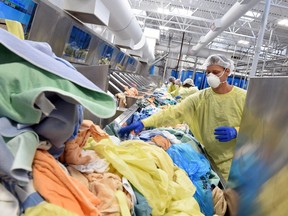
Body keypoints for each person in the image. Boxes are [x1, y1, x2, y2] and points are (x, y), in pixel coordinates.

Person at [118, 54, 247, 180]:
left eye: (215, 72)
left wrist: (236, 131)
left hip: (237, 163)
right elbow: (174, 112)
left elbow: (259, 127)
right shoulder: (200, 98)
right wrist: (144, 123)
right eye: (208, 72)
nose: (211, 76)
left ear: (227, 71)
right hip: (210, 158)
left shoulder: (243, 97)